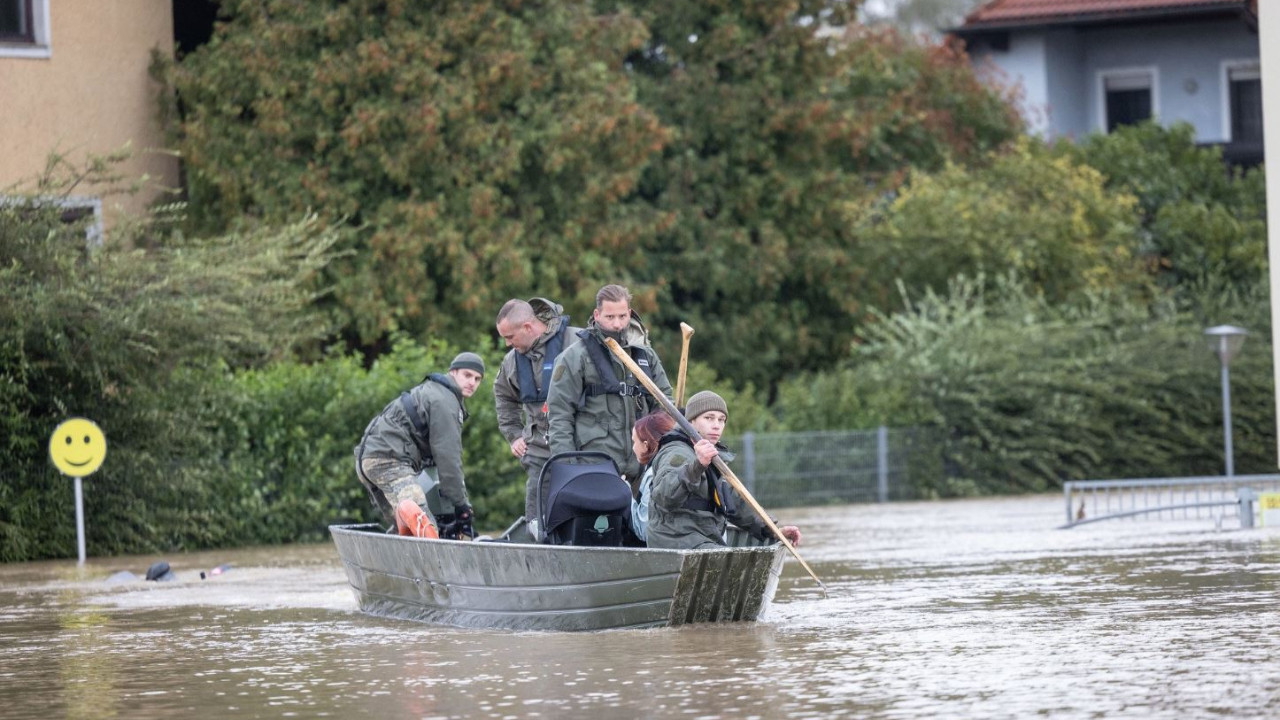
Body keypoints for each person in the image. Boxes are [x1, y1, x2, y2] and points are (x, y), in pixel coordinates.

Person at [546, 284, 673, 489]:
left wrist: (661, 453)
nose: (617, 324)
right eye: (610, 317)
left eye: (623, 316)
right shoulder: (575, 357)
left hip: (642, 469)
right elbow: (559, 416)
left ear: (630, 313)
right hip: (593, 468)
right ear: (596, 314)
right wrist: (569, 469)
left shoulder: (644, 355)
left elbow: (666, 406)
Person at [646, 390, 802, 550]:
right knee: (729, 560)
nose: (716, 425)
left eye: (722, 420)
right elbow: (664, 496)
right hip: (675, 539)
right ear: (691, 420)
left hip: (703, 538)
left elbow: (733, 503)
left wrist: (773, 530)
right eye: (709, 418)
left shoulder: (711, 455)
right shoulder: (676, 452)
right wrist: (697, 466)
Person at [353, 352, 485, 539]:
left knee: (404, 530)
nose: (472, 382)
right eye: (467, 375)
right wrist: (462, 506)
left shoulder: (431, 390)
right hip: (389, 462)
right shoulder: (445, 402)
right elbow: (449, 459)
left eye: (478, 378)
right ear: (453, 372)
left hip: (366, 461)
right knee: (425, 526)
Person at [492, 297, 583, 529]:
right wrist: (513, 434)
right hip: (539, 453)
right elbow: (503, 396)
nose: (507, 344)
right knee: (536, 520)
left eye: (509, 337)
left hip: (583, 447)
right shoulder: (512, 361)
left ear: (528, 327)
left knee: (583, 515)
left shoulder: (577, 342)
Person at [628, 411, 677, 544]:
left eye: (634, 442)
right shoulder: (685, 462)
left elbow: (644, 531)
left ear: (645, 445)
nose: (633, 448)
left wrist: (625, 491)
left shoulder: (653, 474)